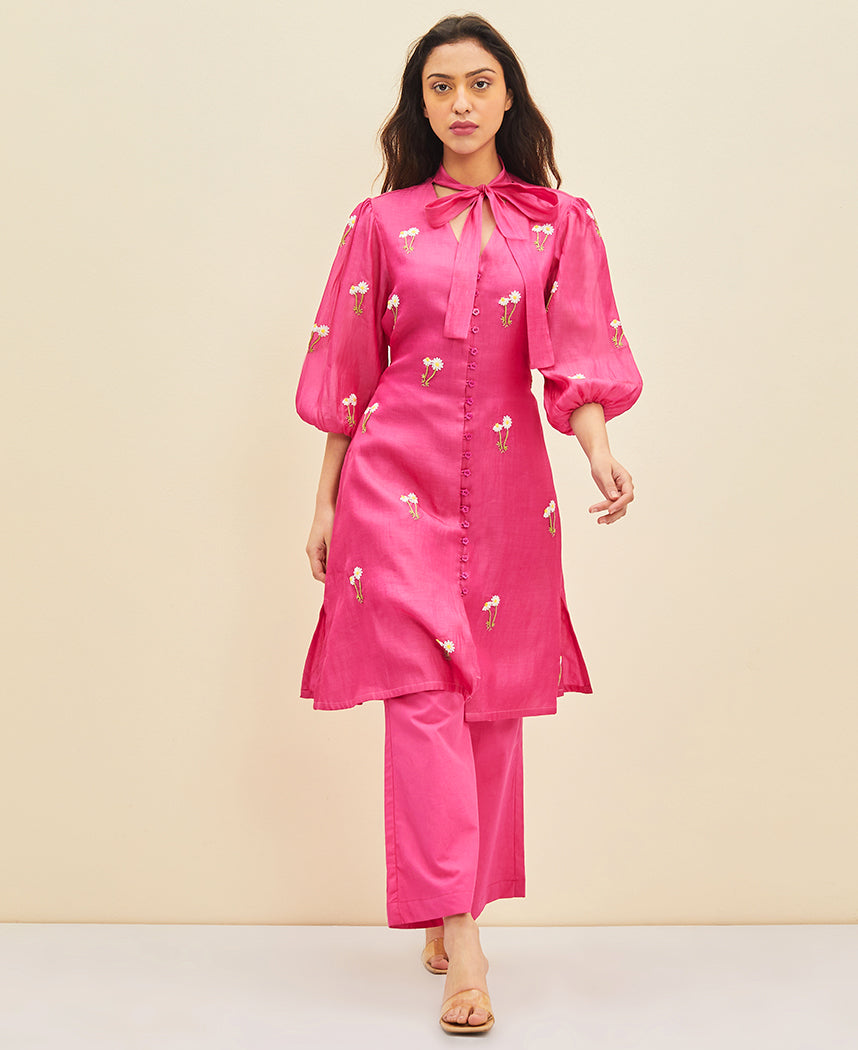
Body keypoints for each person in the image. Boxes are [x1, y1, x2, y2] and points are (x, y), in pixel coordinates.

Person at [295, 13, 643, 1035]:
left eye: (479, 83)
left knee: (489, 707)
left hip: (507, 486)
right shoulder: (381, 223)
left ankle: (455, 905)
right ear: (421, 105)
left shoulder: (558, 221)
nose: (460, 103)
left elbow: (576, 350)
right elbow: (348, 365)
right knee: (422, 699)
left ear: (508, 97)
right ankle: (465, 938)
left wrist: (597, 449)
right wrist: (324, 498)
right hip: (389, 483)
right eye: (440, 86)